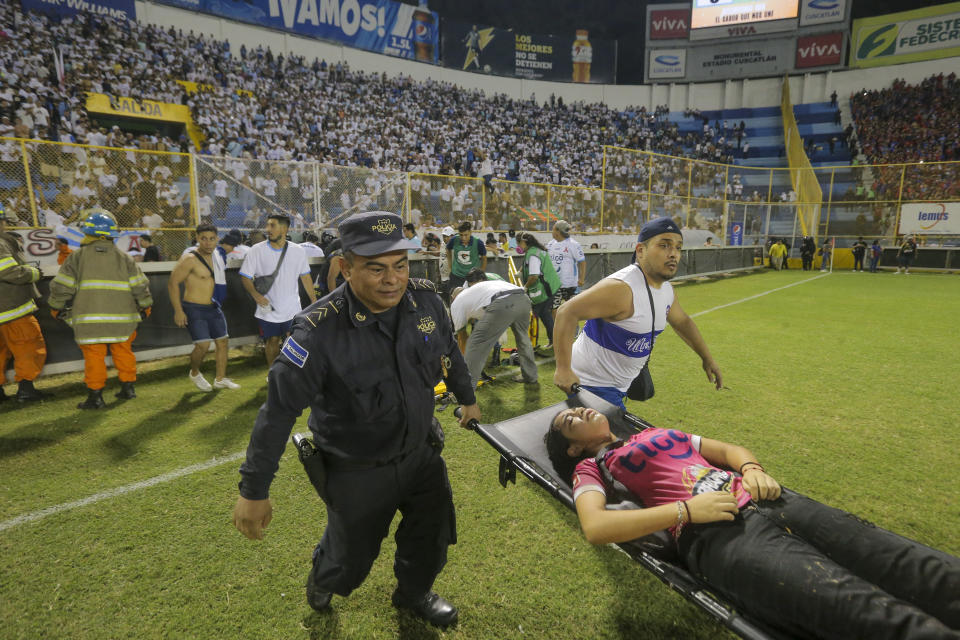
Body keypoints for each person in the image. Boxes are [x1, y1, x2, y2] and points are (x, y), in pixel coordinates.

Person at [232, 211, 481, 627]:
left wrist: (468, 397)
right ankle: (323, 578)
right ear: (345, 268)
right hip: (357, 470)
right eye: (376, 268)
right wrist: (253, 490)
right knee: (350, 559)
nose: (392, 279)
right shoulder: (318, 332)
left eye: (400, 265)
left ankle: (414, 592)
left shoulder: (427, 301)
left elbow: (449, 354)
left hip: (421, 455)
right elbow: (277, 413)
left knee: (431, 537)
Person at [544, 407, 960, 640]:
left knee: (912, 563)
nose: (575, 410)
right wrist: (685, 512)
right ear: (575, 447)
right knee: (865, 611)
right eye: (569, 421)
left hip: (774, 500)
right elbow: (595, 527)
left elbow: (726, 449)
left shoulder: (655, 433)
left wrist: (752, 466)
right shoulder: (592, 467)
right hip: (719, 535)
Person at [553, 217, 722, 409]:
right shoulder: (622, 289)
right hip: (591, 385)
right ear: (641, 251)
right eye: (664, 245)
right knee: (621, 439)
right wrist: (563, 369)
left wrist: (707, 358)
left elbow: (682, 322)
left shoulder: (665, 289)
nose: (673, 253)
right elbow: (566, 312)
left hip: (617, 386)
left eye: (678, 247)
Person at [48, 209, 153, 409]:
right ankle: (128, 388)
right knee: (123, 352)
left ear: (88, 232)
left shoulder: (76, 257)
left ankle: (95, 397)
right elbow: (141, 286)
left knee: (94, 356)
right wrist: (146, 305)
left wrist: (56, 307)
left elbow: (62, 287)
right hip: (123, 320)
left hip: (90, 321)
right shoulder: (125, 258)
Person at [168, 223, 240, 392]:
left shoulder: (218, 255)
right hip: (194, 308)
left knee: (223, 342)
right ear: (197, 239)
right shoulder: (190, 259)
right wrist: (178, 311)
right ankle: (194, 373)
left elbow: (229, 247)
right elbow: (173, 282)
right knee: (203, 346)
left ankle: (220, 379)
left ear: (217, 239)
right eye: (204, 239)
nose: (208, 243)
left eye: (212, 239)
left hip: (214, 307)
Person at [239, 214, 316, 366]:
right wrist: (256, 296)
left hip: (292, 307)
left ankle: (291, 373)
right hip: (268, 308)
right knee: (272, 340)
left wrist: (314, 301)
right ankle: (273, 372)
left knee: (293, 341)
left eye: (272, 225)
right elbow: (245, 277)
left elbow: (305, 277)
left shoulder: (298, 251)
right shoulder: (256, 250)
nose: (268, 229)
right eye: (267, 225)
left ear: (284, 228)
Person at [450, 268, 538, 386]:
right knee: (523, 339)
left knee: (475, 343)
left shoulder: (457, 303)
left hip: (502, 301)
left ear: (453, 298)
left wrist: (463, 362)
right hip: (522, 297)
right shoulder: (478, 290)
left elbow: (462, 337)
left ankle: (467, 387)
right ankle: (530, 376)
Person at [0, 207, 50, 404]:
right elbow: (8, 271)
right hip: (12, 309)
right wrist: (34, 273)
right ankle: (26, 390)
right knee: (28, 346)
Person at [517, 232, 560, 348]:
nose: (518, 247)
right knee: (545, 314)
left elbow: (534, 276)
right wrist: (520, 271)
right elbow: (528, 265)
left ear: (523, 242)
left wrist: (525, 287)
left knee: (541, 314)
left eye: (518, 244)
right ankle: (553, 341)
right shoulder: (535, 250)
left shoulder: (532, 255)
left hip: (546, 289)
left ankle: (552, 342)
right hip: (551, 285)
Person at [546, 220, 586, 321]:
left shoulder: (573, 244)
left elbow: (582, 262)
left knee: (572, 309)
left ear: (558, 231)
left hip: (570, 284)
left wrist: (581, 278)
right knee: (554, 307)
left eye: (553, 229)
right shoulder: (550, 244)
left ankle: (574, 329)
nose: (552, 231)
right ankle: (556, 330)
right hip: (555, 283)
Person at [446, 221, 486, 290]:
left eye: (466, 235)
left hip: (473, 278)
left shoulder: (478, 243)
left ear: (470, 232)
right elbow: (448, 249)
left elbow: (484, 258)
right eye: (461, 235)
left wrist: (481, 273)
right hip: (456, 276)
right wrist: (450, 266)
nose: (463, 238)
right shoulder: (454, 240)